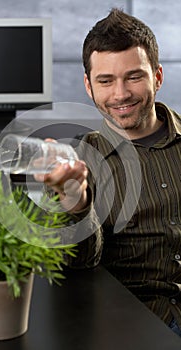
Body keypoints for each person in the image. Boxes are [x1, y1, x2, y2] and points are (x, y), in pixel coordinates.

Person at [34, 8, 181, 336]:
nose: (120, 94)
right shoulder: (77, 166)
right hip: (138, 322)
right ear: (88, 86)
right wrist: (75, 204)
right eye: (106, 80)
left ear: (157, 76)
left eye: (134, 76)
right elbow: (76, 266)